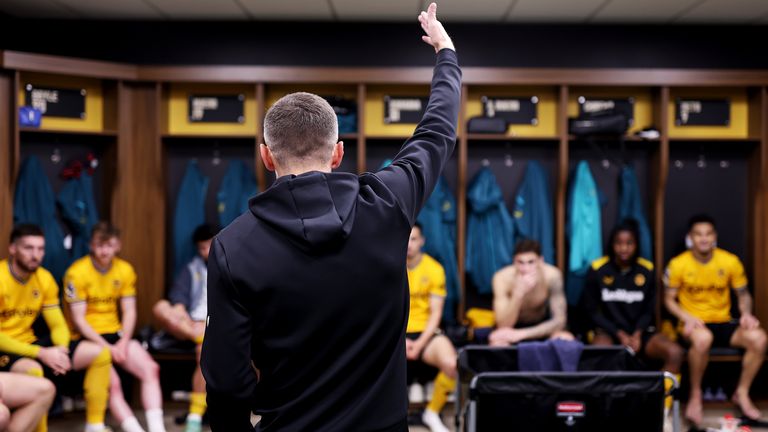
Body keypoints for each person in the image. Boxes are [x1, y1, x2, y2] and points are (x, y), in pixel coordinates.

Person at [201, 4, 459, 431]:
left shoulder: (232, 245)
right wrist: (445, 52)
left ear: (266, 156)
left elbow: (226, 378)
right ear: (337, 153)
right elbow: (437, 132)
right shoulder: (388, 203)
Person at [0, 224, 112, 432]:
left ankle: (94, 425)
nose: (36, 255)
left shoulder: (44, 278)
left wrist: (61, 349)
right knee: (33, 370)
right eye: (28, 248)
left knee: (100, 353)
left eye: (41, 249)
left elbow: (58, 323)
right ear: (12, 249)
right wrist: (41, 353)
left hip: (30, 342)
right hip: (6, 349)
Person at [664, 214, 766, 425]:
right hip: (695, 323)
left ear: (714, 237)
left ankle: (742, 393)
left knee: (759, 338)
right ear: (690, 238)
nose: (704, 238)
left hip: (723, 321)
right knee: (703, 339)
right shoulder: (678, 264)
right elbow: (668, 299)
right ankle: (695, 396)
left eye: (708, 234)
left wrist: (746, 313)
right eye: (698, 234)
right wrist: (687, 316)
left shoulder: (729, 261)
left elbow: (744, 295)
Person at [64, 222, 166, 432]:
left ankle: (158, 429)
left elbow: (129, 311)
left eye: (109, 245)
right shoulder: (76, 273)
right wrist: (108, 348)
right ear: (91, 245)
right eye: (99, 245)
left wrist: (123, 342)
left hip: (116, 334)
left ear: (118, 245)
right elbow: (79, 320)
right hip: (86, 339)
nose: (104, 251)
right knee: (114, 384)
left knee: (150, 368)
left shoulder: (125, 270)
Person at [582, 220, 683, 374]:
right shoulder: (598, 269)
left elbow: (649, 310)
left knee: (675, 353)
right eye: (619, 243)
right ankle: (604, 398)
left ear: (636, 245)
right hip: (609, 331)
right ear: (612, 244)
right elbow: (592, 311)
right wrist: (619, 333)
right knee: (598, 352)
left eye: (629, 243)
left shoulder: (647, 270)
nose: (624, 248)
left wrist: (637, 334)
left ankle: (662, 398)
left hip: (640, 332)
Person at [153, 224, 218, 432]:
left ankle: (195, 415)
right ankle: (199, 336)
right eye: (201, 248)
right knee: (161, 307)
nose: (206, 252)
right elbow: (178, 303)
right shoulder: (192, 267)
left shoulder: (233, 265)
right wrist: (182, 316)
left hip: (217, 324)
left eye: (209, 246)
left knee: (204, 350)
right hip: (191, 325)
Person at [405, 224, 457, 432]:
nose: (409, 244)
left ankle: (432, 412)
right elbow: (383, 311)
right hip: (396, 332)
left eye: (414, 239)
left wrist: (419, 344)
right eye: (406, 238)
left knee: (452, 363)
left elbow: (436, 314)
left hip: (425, 333)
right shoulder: (389, 265)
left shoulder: (434, 269)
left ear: (422, 241)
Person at [489, 239, 573, 346]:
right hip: (512, 325)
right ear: (514, 261)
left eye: (531, 262)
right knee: (497, 342)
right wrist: (517, 294)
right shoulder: (502, 278)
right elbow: (502, 324)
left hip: (541, 326)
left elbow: (560, 321)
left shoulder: (552, 276)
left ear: (541, 261)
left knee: (565, 339)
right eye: (520, 262)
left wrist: (521, 334)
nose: (526, 269)